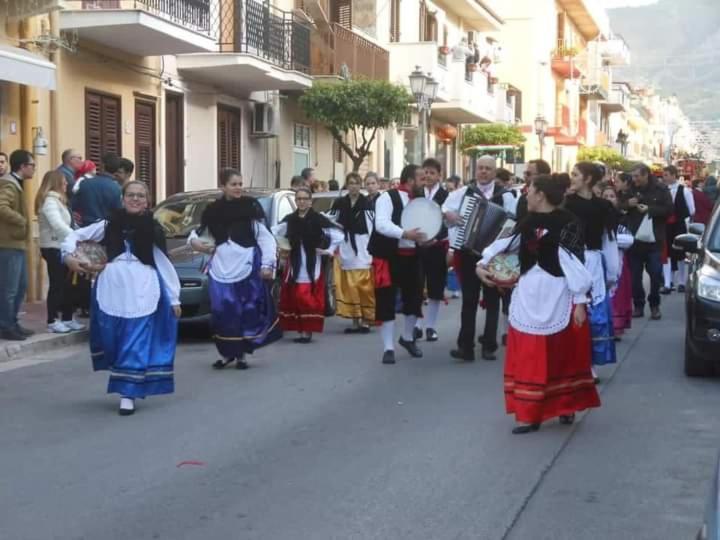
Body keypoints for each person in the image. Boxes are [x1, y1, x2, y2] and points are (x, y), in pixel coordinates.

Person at [477, 173, 599, 434]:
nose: (526, 194)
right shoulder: (526, 221)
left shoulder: (569, 223)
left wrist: (579, 301)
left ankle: (565, 405)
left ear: (540, 194)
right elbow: (504, 244)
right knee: (530, 355)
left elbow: (575, 263)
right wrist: (481, 264)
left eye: (529, 190)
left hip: (559, 292)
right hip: (529, 292)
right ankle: (530, 413)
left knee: (561, 353)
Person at [63, 181, 181, 416]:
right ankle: (124, 378)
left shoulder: (154, 228)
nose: (135, 199)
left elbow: (163, 263)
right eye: (130, 195)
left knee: (135, 340)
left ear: (147, 201)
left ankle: (128, 393)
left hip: (142, 287)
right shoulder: (108, 223)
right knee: (112, 339)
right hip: (112, 287)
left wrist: (174, 297)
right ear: (123, 198)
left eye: (140, 196)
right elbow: (74, 236)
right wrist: (68, 256)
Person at [190, 168, 281, 370]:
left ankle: (241, 355)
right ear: (222, 186)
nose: (238, 188)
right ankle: (226, 353)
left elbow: (266, 239)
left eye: (240, 184)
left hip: (245, 265)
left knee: (245, 310)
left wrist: (267, 265)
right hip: (221, 268)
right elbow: (197, 234)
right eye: (234, 184)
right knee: (222, 311)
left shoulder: (250, 208)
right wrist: (195, 243)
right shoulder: (212, 211)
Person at [444, 155, 517, 361]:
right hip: (468, 252)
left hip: (494, 255)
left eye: (488, 169)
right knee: (469, 300)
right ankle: (466, 346)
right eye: (480, 168)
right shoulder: (462, 193)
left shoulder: (507, 196)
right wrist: (448, 215)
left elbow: (513, 223)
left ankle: (489, 345)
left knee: (493, 300)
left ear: (494, 173)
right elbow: (445, 210)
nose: (483, 172)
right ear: (475, 171)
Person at [564, 162, 619, 375]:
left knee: (593, 314)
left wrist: (612, 272)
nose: (572, 178)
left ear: (587, 179)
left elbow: (608, 239)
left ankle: (590, 363)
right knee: (570, 311)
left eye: (576, 174)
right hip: (569, 260)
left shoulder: (603, 207)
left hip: (593, 261)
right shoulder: (566, 204)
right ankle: (573, 361)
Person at [368, 164, 426, 364]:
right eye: (421, 178)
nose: (424, 182)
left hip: (413, 256)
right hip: (389, 256)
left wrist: (429, 236)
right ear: (410, 180)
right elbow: (381, 224)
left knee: (414, 299)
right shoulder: (387, 197)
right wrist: (404, 233)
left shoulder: (420, 201)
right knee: (386, 299)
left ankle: (408, 338)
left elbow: (425, 226)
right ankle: (388, 348)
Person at [272, 187, 343, 343]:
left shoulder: (318, 218)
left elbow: (338, 234)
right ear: (296, 201)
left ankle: (308, 330)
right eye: (299, 199)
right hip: (295, 262)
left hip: (312, 263)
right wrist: (282, 247)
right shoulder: (290, 219)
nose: (302, 202)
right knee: (296, 296)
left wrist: (328, 250)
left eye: (305, 199)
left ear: (310, 201)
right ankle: (301, 329)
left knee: (306, 295)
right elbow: (274, 232)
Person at [620, 164, 673, 321]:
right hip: (634, 240)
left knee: (655, 274)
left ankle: (654, 305)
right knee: (635, 276)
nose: (634, 179)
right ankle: (638, 305)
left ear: (646, 175)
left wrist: (650, 209)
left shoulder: (661, 189)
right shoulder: (629, 190)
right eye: (633, 176)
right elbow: (618, 206)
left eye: (637, 176)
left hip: (654, 240)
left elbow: (669, 209)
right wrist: (627, 205)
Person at [36, 170, 85, 334]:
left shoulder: (60, 201)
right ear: (56, 183)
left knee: (68, 285)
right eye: (63, 182)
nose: (66, 185)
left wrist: (83, 233)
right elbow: (57, 224)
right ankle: (52, 320)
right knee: (57, 285)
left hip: (63, 247)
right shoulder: (50, 201)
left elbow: (69, 224)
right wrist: (75, 236)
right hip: (53, 247)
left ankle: (67, 318)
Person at [330, 172, 375, 333]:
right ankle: (355, 320)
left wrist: (373, 247)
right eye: (351, 183)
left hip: (363, 246)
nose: (354, 186)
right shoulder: (340, 203)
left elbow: (372, 227)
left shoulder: (366, 203)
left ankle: (366, 319)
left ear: (360, 185)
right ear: (347, 185)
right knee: (350, 285)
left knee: (364, 285)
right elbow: (331, 222)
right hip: (346, 246)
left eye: (356, 183)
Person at [0, 150, 36, 341]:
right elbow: (1, 206)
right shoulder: (9, 183)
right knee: (9, 288)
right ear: (22, 166)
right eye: (32, 165)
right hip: (9, 243)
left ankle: (12, 322)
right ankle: (6, 325)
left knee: (20, 286)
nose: (34, 169)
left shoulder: (16, 183)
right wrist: (21, 220)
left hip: (17, 243)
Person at [414, 158, 448, 342]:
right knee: (418, 286)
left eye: (432, 173)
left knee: (435, 287)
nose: (427, 176)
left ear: (439, 176)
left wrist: (436, 238)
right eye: (425, 172)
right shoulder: (418, 193)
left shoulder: (446, 196)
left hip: (436, 247)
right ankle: (418, 325)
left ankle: (431, 326)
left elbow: (447, 224)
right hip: (419, 246)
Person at [601, 182, 634, 338]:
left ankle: (616, 327)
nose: (609, 199)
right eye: (605, 196)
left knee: (618, 293)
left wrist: (612, 239)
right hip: (600, 259)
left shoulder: (623, 217)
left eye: (612, 196)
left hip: (619, 260)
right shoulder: (596, 216)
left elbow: (629, 239)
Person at [660, 165, 695, 294]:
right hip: (665, 225)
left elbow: (691, 209)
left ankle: (681, 282)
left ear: (674, 175)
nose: (664, 178)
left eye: (666, 175)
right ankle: (667, 283)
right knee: (666, 253)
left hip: (679, 225)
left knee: (680, 254)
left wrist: (682, 218)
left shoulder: (684, 190)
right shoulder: (662, 190)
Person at [72, 152, 122, 226]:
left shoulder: (84, 183)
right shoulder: (117, 188)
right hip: (106, 229)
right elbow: (118, 212)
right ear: (117, 169)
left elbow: (74, 206)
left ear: (102, 166)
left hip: (86, 227)